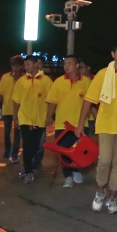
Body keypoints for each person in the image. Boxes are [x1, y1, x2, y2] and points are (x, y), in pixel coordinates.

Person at [76, 43, 117, 214]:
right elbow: (89, 100)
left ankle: (112, 198)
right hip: (105, 124)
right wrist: (80, 124)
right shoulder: (102, 74)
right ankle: (100, 191)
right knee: (104, 160)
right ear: (113, 54)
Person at [45, 55, 91, 188]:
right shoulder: (58, 82)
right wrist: (49, 116)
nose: (66, 66)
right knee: (63, 152)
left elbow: (91, 103)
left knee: (78, 151)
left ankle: (76, 170)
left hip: (81, 124)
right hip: (62, 124)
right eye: (65, 63)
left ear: (77, 66)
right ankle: (68, 176)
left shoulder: (87, 82)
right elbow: (52, 101)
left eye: (70, 63)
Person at [11, 55, 53, 184]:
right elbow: (16, 101)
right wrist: (15, 117)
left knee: (35, 145)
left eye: (29, 64)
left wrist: (49, 116)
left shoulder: (46, 81)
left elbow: (51, 100)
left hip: (40, 119)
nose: (26, 67)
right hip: (25, 118)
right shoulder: (22, 81)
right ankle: (28, 171)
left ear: (36, 64)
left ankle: (28, 166)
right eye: (25, 64)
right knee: (27, 144)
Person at [0, 56, 24, 162]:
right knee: (6, 132)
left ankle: (14, 154)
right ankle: (7, 150)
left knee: (17, 133)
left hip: (19, 110)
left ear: (21, 66)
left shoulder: (24, 78)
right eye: (12, 66)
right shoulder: (5, 77)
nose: (14, 68)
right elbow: (0, 94)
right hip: (7, 108)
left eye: (16, 66)